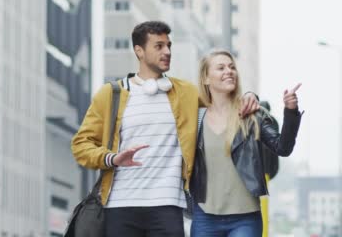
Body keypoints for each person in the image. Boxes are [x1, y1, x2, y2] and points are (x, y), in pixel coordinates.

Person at [71, 21, 260, 237]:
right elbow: (80, 145)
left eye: (169, 45)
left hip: (168, 206)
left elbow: (221, 99)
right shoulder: (111, 94)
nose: (167, 51)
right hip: (120, 206)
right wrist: (112, 158)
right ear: (139, 51)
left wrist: (250, 96)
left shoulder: (185, 93)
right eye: (159, 46)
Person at [189, 49, 303, 236]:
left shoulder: (252, 115)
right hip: (205, 216)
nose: (229, 71)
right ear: (206, 79)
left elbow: (283, 147)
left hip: (245, 219)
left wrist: (291, 111)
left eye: (232, 67)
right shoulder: (196, 118)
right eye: (221, 68)